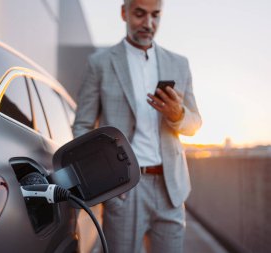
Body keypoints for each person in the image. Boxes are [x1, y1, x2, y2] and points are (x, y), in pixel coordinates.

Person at [72, 0, 202, 252]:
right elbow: (82, 126)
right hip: (124, 186)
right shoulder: (99, 63)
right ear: (124, 13)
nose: (149, 23)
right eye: (140, 14)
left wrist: (177, 114)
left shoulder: (179, 64)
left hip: (170, 187)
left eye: (156, 16)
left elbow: (194, 123)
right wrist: (102, 177)